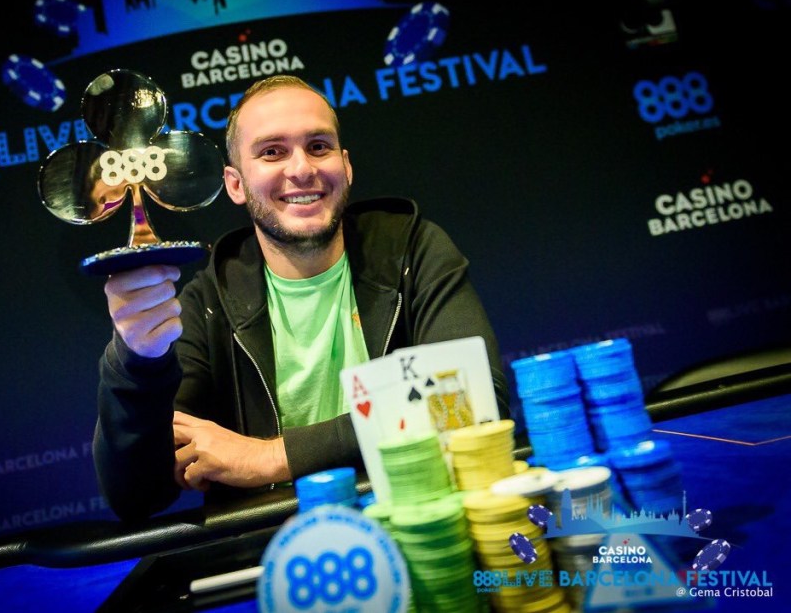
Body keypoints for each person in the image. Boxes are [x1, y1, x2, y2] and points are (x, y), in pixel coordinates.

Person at [93, 75, 508, 521]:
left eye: (318, 146)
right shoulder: (209, 301)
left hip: (424, 524)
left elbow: (474, 400)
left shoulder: (411, 250)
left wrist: (271, 458)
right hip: (280, 549)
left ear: (346, 166)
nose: (302, 169)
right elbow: (136, 496)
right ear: (235, 184)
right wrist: (135, 360)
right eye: (272, 152)